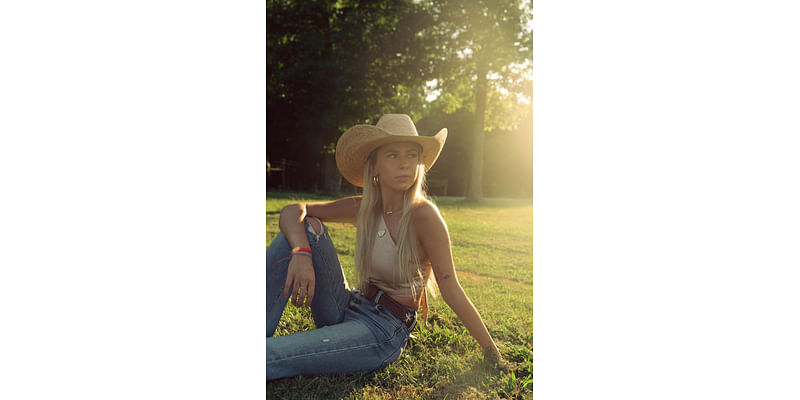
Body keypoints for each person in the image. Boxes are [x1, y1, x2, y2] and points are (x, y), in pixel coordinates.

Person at [267, 114, 508, 380]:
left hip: (383, 329)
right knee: (307, 226)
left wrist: (492, 352)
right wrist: (301, 254)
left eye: (412, 156)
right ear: (374, 165)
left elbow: (452, 290)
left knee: (273, 354)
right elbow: (294, 210)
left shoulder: (423, 215)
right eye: (393, 155)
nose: (405, 164)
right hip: (347, 306)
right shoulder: (364, 207)